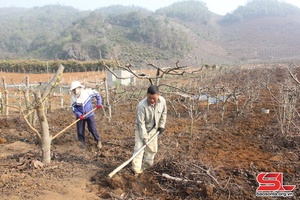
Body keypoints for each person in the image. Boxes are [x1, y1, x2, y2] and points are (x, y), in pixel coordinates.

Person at [132, 85, 167, 175]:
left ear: (158, 95)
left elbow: (164, 113)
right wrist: (144, 138)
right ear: (147, 95)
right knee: (139, 149)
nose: (152, 100)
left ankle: (146, 168)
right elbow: (141, 123)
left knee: (152, 150)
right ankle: (136, 170)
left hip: (153, 130)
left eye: (154, 98)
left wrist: (162, 125)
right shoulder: (142, 105)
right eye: (150, 98)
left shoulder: (162, 101)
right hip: (141, 129)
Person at [70, 81, 102, 149]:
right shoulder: (73, 98)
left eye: (75, 89)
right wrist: (79, 114)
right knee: (80, 131)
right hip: (80, 116)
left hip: (89, 114)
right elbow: (74, 108)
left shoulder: (87, 93)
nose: (74, 91)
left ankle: (98, 140)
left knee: (92, 129)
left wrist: (99, 103)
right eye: (73, 90)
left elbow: (97, 94)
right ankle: (82, 144)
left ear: (79, 88)